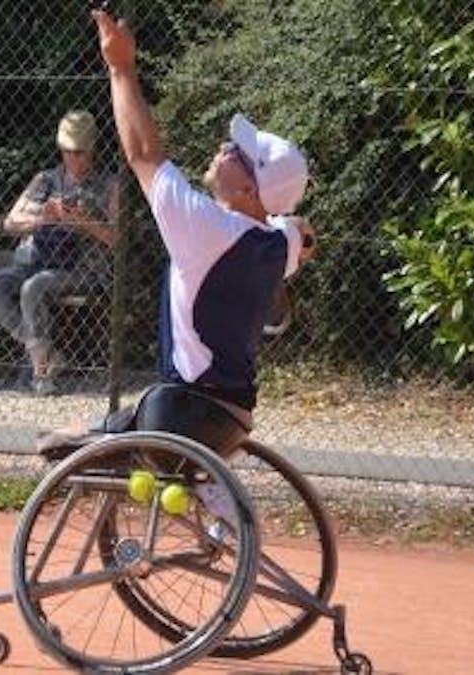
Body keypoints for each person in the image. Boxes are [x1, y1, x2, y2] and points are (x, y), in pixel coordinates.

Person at [39, 10, 317, 460]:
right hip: (232, 420)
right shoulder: (274, 241)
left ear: (249, 188)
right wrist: (297, 232)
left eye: (237, 154)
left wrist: (120, 68)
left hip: (182, 414)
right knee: (88, 433)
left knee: (67, 442)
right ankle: (212, 506)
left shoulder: (206, 227)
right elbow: (301, 234)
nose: (224, 147)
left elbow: (142, 152)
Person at [0, 110, 119, 397]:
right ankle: (44, 351)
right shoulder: (45, 180)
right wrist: (43, 219)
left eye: (80, 152)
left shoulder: (110, 184)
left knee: (34, 287)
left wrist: (82, 221)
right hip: (34, 258)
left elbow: (117, 239)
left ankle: (41, 377)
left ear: (92, 149)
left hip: (81, 268)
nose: (73, 158)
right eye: (68, 151)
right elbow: (10, 223)